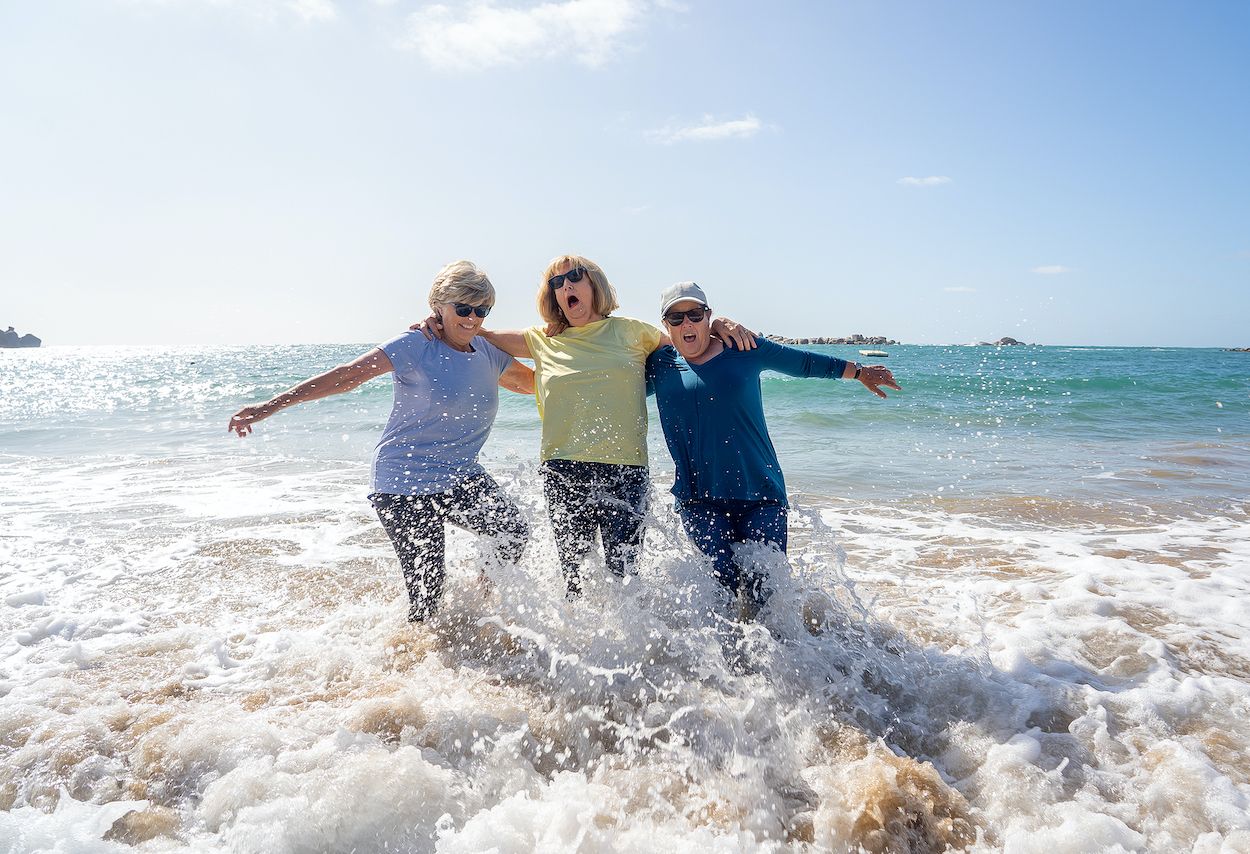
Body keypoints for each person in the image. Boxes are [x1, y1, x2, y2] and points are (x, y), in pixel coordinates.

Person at [419, 255, 754, 598]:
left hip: (626, 470)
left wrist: (719, 325)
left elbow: (692, 343)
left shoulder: (632, 332)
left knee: (626, 581)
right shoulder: (541, 339)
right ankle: (575, 647)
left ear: (594, 284)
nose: (565, 286)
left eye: (574, 277)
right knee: (575, 580)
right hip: (563, 471)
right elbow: (475, 331)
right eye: (557, 283)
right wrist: (436, 321)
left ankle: (628, 649)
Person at [228, 261, 535, 623]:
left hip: (460, 474)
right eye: (462, 309)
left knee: (510, 531)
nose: (472, 318)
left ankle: (480, 606)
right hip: (404, 482)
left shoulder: (488, 352)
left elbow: (537, 385)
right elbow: (346, 377)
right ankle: (412, 657)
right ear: (439, 307)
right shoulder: (415, 345)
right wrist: (268, 406)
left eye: (481, 310)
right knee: (428, 594)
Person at [645, 281, 900, 620]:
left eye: (694, 314)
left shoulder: (744, 348)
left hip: (760, 495)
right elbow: (611, 378)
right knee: (718, 593)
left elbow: (802, 363)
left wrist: (858, 371)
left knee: (765, 596)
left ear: (708, 316)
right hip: (698, 499)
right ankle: (725, 672)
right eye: (676, 318)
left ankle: (785, 669)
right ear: (666, 325)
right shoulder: (659, 364)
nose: (686, 324)